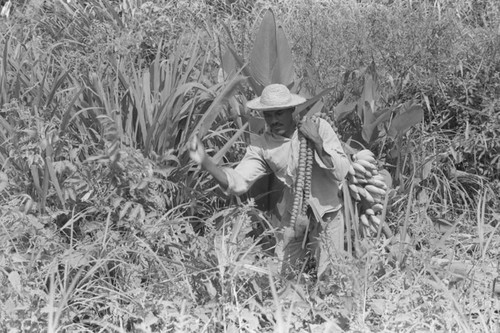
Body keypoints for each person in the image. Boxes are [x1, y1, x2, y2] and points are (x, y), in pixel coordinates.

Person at [189, 83, 351, 278]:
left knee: (330, 276)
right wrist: (206, 162)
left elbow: (341, 171)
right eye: (268, 114)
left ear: (291, 110)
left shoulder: (318, 127)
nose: (274, 120)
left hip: (327, 213)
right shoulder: (262, 146)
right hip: (294, 215)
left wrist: (317, 142)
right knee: (285, 274)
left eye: (279, 113)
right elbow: (238, 183)